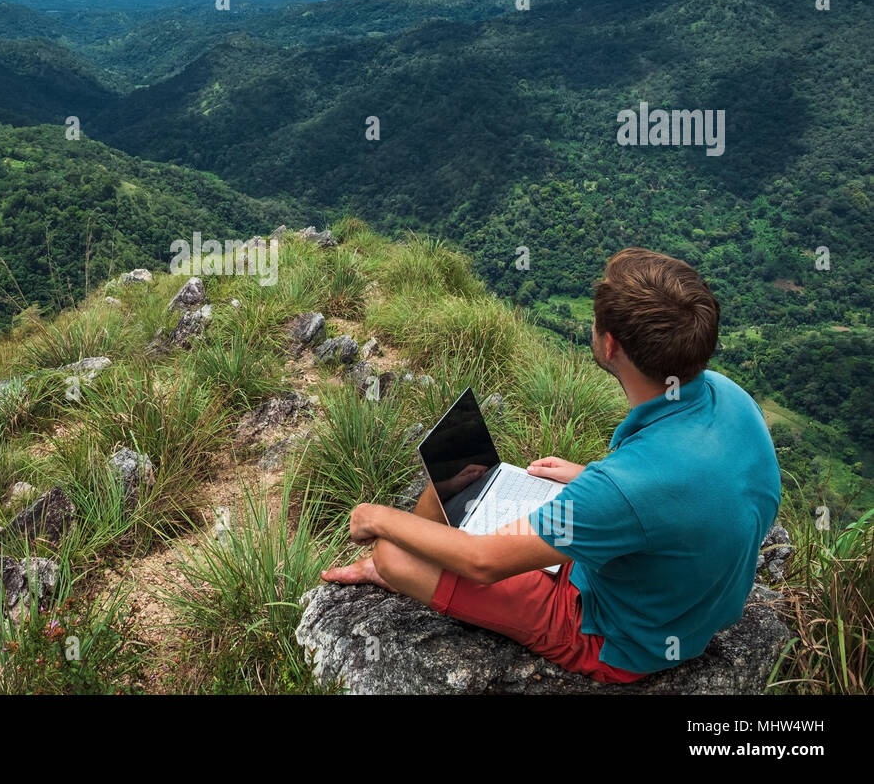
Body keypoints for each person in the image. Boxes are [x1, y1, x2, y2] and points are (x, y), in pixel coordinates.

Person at [322, 248, 781, 682]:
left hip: (618, 640)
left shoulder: (620, 491)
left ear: (610, 344)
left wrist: (376, 516)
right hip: (692, 600)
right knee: (455, 492)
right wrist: (591, 483)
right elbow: (698, 496)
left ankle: (391, 568)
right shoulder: (730, 398)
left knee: (393, 550)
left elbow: (481, 563)